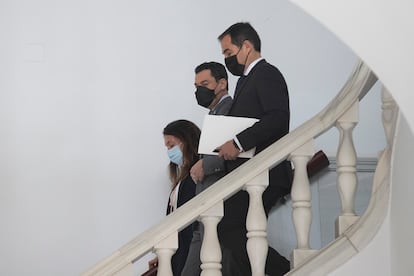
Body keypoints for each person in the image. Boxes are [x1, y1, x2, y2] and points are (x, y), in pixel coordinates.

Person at [215, 22, 292, 275]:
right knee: (238, 235)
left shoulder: (267, 73)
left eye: (228, 52)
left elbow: (277, 117)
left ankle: (286, 270)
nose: (226, 59)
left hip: (265, 173)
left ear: (246, 46)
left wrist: (237, 143)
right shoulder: (247, 81)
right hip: (250, 174)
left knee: (230, 229)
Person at [181, 62, 242, 276]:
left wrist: (204, 164)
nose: (199, 90)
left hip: (220, 203)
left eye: (205, 83)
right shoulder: (215, 113)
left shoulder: (232, 108)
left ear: (222, 83)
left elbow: (234, 152)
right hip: (207, 203)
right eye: (196, 86)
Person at [162, 120, 201, 276]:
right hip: (178, 253)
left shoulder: (196, 175)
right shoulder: (181, 180)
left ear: (186, 140)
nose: (169, 152)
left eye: (171, 145)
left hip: (190, 251)